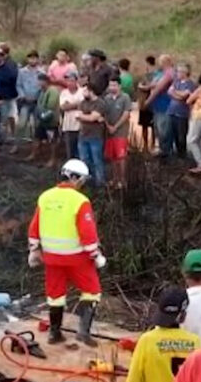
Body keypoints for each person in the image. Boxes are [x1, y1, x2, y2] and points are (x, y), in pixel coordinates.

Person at [28, 159, 105, 347]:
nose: (82, 184)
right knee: (92, 291)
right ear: (76, 178)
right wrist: (96, 256)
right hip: (77, 258)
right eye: (82, 180)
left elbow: (34, 227)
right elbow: (87, 233)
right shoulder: (80, 201)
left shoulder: (45, 197)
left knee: (55, 294)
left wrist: (34, 249)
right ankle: (83, 333)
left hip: (51, 258)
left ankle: (55, 333)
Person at [143, 55, 175, 159]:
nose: (159, 64)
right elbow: (153, 85)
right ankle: (163, 151)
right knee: (159, 129)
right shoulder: (162, 73)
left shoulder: (169, 73)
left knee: (164, 131)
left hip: (164, 105)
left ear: (166, 62)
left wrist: (148, 101)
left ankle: (166, 153)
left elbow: (158, 89)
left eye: (161, 62)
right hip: (157, 106)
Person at [76, 83, 107, 188]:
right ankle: (87, 182)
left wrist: (84, 116)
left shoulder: (100, 103)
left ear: (90, 91)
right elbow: (79, 116)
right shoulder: (82, 103)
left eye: (84, 91)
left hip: (95, 136)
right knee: (84, 160)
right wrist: (89, 116)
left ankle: (100, 183)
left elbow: (92, 118)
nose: (83, 93)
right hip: (83, 135)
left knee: (97, 160)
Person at [104, 78, 132, 190]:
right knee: (112, 157)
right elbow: (104, 113)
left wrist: (115, 127)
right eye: (110, 85)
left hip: (121, 132)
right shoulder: (107, 98)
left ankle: (122, 180)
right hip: (109, 133)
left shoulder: (125, 98)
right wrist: (108, 126)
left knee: (121, 157)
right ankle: (115, 179)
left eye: (114, 85)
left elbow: (126, 114)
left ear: (119, 86)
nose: (112, 88)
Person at [0, 44, 19, 152]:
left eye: (0, 54)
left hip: (6, 97)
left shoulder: (10, 66)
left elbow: (12, 80)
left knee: (6, 120)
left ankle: (5, 141)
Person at [167, 64, 196, 160]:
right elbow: (169, 92)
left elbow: (185, 95)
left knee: (181, 136)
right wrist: (178, 95)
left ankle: (182, 156)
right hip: (172, 112)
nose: (177, 73)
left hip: (182, 113)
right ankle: (175, 154)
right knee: (173, 134)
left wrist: (175, 93)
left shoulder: (190, 84)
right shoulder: (176, 82)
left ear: (185, 73)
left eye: (179, 71)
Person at [33, 74, 62, 167]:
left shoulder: (53, 91)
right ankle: (35, 154)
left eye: (40, 81)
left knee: (52, 140)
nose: (38, 83)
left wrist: (41, 111)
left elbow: (51, 106)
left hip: (51, 120)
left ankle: (52, 159)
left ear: (45, 81)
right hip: (42, 119)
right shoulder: (41, 91)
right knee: (37, 137)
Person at [16, 50, 44, 144]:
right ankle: (17, 145)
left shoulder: (41, 72)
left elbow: (44, 87)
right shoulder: (22, 72)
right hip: (25, 102)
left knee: (37, 125)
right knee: (21, 124)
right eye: (30, 58)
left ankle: (35, 146)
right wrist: (22, 95)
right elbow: (18, 85)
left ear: (37, 59)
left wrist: (39, 97)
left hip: (37, 102)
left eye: (34, 58)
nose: (32, 60)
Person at [59, 72, 85, 161]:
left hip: (81, 125)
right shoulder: (64, 93)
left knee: (81, 152)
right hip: (68, 126)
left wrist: (70, 105)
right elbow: (63, 107)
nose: (69, 83)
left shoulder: (83, 91)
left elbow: (84, 105)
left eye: (72, 80)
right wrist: (77, 104)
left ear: (76, 81)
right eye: (68, 81)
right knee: (70, 152)